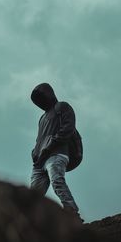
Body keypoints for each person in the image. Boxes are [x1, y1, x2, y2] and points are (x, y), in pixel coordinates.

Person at [29, 82, 84, 223]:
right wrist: (35, 152)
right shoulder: (42, 118)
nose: (40, 102)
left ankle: (71, 211)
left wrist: (51, 145)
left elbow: (68, 128)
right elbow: (39, 138)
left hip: (57, 154)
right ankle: (30, 220)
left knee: (57, 181)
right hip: (40, 161)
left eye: (41, 97)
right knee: (33, 195)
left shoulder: (62, 107)